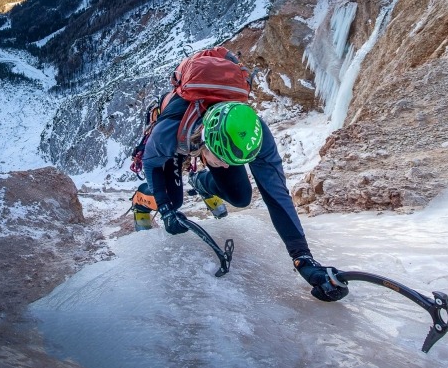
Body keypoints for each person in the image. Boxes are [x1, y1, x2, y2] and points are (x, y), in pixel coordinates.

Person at [141, 96, 348, 302]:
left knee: (240, 197)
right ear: (205, 143)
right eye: (222, 160)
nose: (225, 166)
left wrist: (302, 258)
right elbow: (151, 163)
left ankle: (200, 182)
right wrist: (165, 207)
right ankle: (141, 201)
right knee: (173, 201)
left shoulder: (256, 134)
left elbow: (276, 195)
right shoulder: (167, 133)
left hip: (218, 136)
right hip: (180, 136)